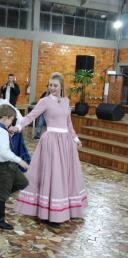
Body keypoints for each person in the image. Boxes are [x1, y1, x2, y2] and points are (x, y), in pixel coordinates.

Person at [15, 73, 87, 225]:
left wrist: (76, 138)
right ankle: (51, 212)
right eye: (50, 85)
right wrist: (18, 126)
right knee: (54, 175)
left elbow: (69, 123)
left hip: (66, 143)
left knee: (66, 176)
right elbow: (31, 116)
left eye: (55, 85)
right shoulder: (45, 101)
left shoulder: (67, 101)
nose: (52, 88)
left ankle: (67, 209)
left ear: (61, 86)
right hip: (51, 142)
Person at [0, 104, 29, 230]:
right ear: (6, 118)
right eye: (12, 120)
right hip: (2, 165)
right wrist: (19, 160)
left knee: (23, 182)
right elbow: (4, 152)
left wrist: (8, 135)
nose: (12, 123)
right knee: (3, 196)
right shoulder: (0, 131)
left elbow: (1, 144)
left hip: (8, 164)